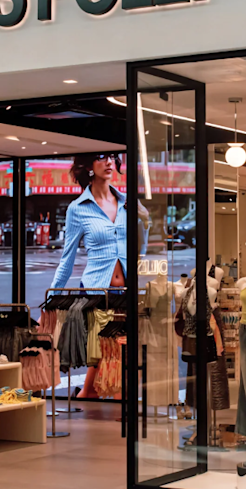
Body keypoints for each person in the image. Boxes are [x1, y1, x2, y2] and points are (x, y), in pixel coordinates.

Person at [50, 152, 147, 397]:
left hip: (126, 293)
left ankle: (91, 396)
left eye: (113, 157)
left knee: (118, 355)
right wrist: (52, 296)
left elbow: (141, 249)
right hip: (97, 294)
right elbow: (67, 258)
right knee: (109, 356)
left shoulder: (126, 203)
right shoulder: (78, 208)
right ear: (89, 166)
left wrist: (145, 221)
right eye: (102, 157)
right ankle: (113, 407)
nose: (109, 162)